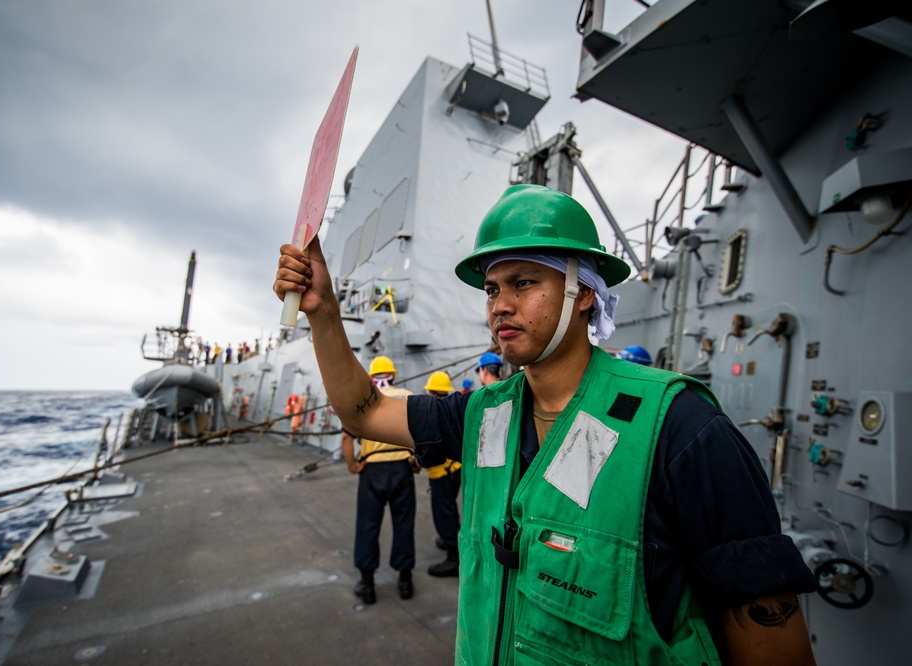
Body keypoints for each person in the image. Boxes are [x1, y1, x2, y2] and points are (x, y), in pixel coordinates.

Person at [274, 184, 816, 665]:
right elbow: (363, 410)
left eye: (524, 282)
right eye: (491, 289)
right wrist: (325, 313)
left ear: (583, 294)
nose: (500, 306)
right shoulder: (482, 412)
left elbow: (772, 639)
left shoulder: (681, 428)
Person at [339, 355, 417, 605]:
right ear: (393, 374)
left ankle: (367, 584)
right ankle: (405, 582)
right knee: (404, 524)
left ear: (371, 377)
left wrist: (353, 466)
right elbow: (421, 432)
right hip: (401, 469)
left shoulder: (362, 401)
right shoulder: (406, 395)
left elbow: (346, 439)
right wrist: (416, 462)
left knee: (367, 526)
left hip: (372, 471)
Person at [421, 371, 462, 578]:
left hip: (441, 474)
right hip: (455, 470)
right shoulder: (451, 410)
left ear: (431, 391)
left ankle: (453, 558)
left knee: (442, 512)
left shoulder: (431, 413)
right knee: (450, 507)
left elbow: (427, 450)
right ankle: (453, 539)